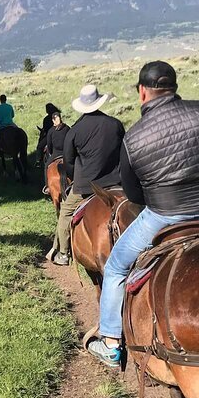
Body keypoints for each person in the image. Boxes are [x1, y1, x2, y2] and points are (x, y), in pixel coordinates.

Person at [88, 60, 199, 367]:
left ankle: (110, 342)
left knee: (115, 269)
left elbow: (133, 193)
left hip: (163, 214)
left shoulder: (133, 136)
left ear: (142, 93)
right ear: (174, 87)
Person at [52, 85, 124, 266]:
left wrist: (74, 178)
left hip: (86, 186)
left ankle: (63, 253)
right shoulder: (115, 124)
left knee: (66, 214)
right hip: (117, 181)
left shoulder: (75, 131)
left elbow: (68, 161)